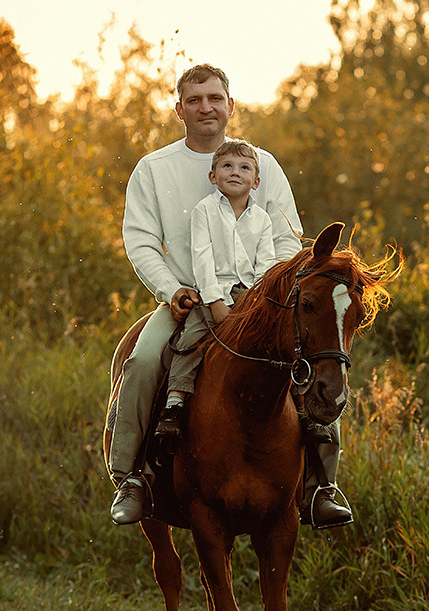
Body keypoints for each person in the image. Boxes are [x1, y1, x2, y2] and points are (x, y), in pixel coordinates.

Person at [107, 63, 353, 530]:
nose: (206, 107)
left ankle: (321, 485)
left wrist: (264, 293)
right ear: (179, 108)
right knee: (140, 362)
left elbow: (287, 239)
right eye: (195, 100)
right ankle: (131, 478)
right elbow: (140, 240)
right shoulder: (153, 169)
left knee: (315, 358)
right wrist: (171, 289)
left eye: (215, 98)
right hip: (185, 299)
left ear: (230, 106)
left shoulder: (262, 164)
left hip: (262, 301)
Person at [151, 139, 277, 437]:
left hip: (250, 294)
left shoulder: (262, 219)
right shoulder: (204, 211)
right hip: (212, 291)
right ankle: (175, 401)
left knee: (278, 339)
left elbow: (266, 263)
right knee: (191, 339)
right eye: (227, 166)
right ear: (213, 176)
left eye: (244, 168)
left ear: (256, 181)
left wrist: (257, 300)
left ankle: (297, 407)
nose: (235, 172)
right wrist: (215, 301)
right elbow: (201, 258)